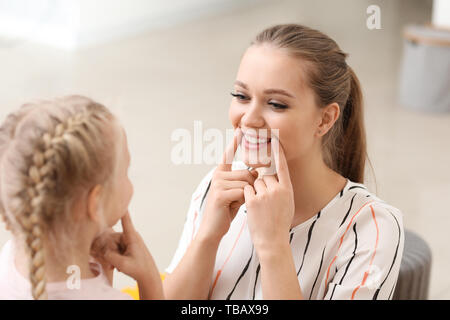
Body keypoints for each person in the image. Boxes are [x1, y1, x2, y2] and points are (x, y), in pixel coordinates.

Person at [161, 24, 405, 300]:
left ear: (325, 119)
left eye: (276, 104)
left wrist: (273, 245)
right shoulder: (215, 188)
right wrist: (207, 236)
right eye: (241, 96)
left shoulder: (372, 228)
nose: (249, 119)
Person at [0, 96, 163, 300]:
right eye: (125, 172)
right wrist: (150, 280)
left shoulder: (10, 257)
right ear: (95, 202)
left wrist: (101, 266)